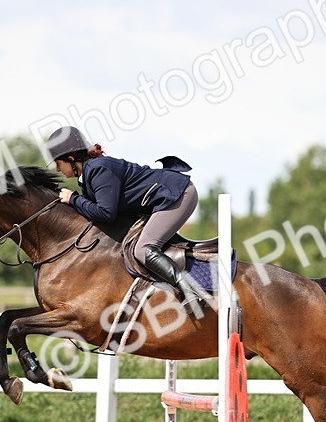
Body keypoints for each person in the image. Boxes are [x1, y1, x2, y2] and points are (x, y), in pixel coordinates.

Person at [45, 126, 212, 313]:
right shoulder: (92, 172)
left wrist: (73, 199)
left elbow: (106, 213)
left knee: (143, 249)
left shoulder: (97, 169)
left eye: (59, 164)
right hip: (166, 198)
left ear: (71, 159)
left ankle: (190, 290)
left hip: (178, 194)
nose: (59, 170)